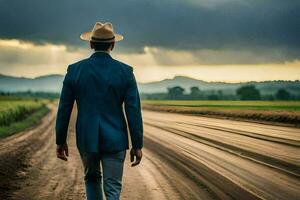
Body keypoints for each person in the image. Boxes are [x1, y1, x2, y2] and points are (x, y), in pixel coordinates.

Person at [55, 22, 143, 200]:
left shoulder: (75, 70)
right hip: (115, 138)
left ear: (90, 44)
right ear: (113, 44)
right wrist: (137, 145)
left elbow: (64, 108)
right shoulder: (126, 72)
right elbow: (133, 110)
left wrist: (60, 140)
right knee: (112, 187)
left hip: (87, 137)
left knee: (91, 179)